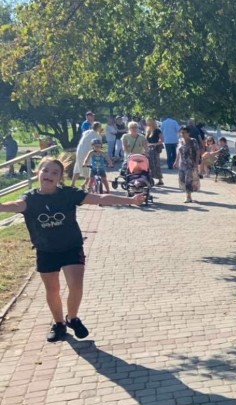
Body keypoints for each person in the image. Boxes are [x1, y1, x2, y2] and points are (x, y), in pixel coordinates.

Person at [0, 158, 146, 342]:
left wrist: (131, 200)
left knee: (76, 286)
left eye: (55, 173)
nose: (49, 175)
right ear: (38, 173)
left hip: (71, 247)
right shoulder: (30, 198)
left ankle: (72, 318)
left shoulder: (68, 194)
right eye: (45, 170)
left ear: (60, 178)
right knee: (52, 290)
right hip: (46, 251)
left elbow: (99, 198)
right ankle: (59, 324)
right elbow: (13, 206)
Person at [174, 126, 201, 203]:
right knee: (182, 179)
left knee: (188, 180)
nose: (182, 134)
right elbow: (179, 152)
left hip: (190, 164)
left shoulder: (193, 141)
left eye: (184, 132)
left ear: (188, 133)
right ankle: (188, 195)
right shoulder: (180, 141)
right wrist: (176, 161)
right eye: (181, 132)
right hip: (182, 164)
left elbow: (198, 152)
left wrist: (196, 163)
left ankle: (188, 197)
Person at [71, 122, 102, 187]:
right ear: (98, 127)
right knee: (90, 168)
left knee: (78, 166)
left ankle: (73, 183)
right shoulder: (98, 136)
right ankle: (86, 183)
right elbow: (98, 146)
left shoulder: (86, 132)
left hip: (79, 151)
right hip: (88, 152)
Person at [145, 118, 165, 185]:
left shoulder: (157, 130)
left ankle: (160, 180)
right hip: (148, 149)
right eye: (147, 122)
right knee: (149, 164)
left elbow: (162, 140)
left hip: (155, 149)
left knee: (156, 164)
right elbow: (146, 140)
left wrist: (154, 144)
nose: (148, 123)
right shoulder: (147, 130)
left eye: (149, 122)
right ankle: (150, 179)